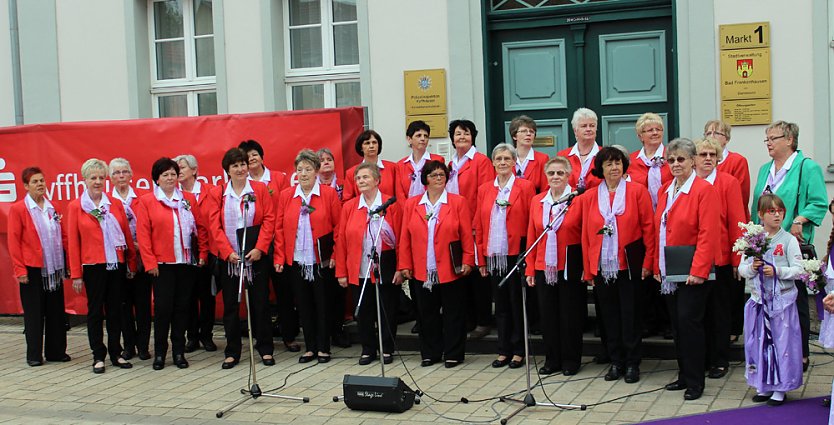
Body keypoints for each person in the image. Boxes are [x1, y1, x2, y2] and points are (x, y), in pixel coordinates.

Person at [751, 120, 828, 371]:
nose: (768, 143)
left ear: (790, 140)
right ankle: (773, 349)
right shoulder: (765, 169)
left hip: (791, 244)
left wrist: (798, 220)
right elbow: (757, 206)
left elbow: (818, 202)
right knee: (768, 297)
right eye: (767, 139)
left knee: (796, 298)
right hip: (766, 243)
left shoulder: (807, 167)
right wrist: (753, 238)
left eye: (773, 138)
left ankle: (801, 353)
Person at [576, 147, 655, 384]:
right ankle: (616, 361)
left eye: (618, 163)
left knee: (630, 316)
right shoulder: (589, 197)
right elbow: (586, 235)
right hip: (602, 266)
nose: (614, 168)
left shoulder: (637, 192)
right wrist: (588, 268)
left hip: (629, 265)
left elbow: (649, 229)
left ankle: (632, 363)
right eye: (609, 164)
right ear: (600, 169)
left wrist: (648, 261)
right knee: (609, 316)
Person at [653, 138, 719, 401]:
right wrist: (656, 265)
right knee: (677, 326)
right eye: (671, 160)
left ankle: (695, 381)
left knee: (690, 324)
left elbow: (708, 233)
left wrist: (699, 270)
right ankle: (683, 374)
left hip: (693, 271)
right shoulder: (665, 190)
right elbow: (659, 230)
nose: (675, 164)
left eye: (681, 159)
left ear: (693, 161)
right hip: (670, 269)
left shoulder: (703, 190)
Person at [398, 160, 475, 368]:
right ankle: (430, 353)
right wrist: (405, 264)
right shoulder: (412, 204)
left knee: (453, 313)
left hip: (451, 268)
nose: (438, 178)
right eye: (434, 175)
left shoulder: (457, 202)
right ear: (425, 180)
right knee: (426, 314)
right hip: (422, 268)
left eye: (442, 175)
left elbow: (466, 234)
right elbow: (405, 237)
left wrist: (468, 259)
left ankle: (453, 353)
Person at [134, 157, 209, 370]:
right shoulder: (148, 201)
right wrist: (150, 262)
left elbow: (200, 227)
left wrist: (202, 253)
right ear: (157, 179)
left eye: (173, 174)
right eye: (165, 174)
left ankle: (178, 352)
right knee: (163, 309)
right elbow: (143, 235)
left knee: (182, 308)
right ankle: (160, 353)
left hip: (185, 262)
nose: (170, 178)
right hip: (162, 264)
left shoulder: (187, 198)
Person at [208, 148, 276, 370]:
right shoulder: (218, 193)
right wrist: (227, 251)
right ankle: (232, 351)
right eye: (235, 165)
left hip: (255, 256)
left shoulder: (259, 189)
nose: (240, 169)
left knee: (260, 303)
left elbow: (269, 219)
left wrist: (260, 248)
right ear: (227, 170)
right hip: (231, 259)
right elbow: (214, 226)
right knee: (231, 305)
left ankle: (265, 348)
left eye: (243, 164)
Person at [67, 158, 137, 374]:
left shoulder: (114, 204)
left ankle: (116, 352)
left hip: (115, 263)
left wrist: (131, 263)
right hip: (93, 265)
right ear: (85, 180)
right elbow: (73, 242)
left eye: (100, 177)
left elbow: (126, 235)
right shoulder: (76, 207)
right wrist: (76, 274)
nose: (97, 182)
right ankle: (98, 355)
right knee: (95, 311)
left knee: (116, 310)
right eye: (93, 178)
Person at [274, 149, 342, 364]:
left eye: (308, 169)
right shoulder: (287, 196)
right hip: (296, 260)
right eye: (300, 169)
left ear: (317, 171)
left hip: (320, 260)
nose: (303, 174)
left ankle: (323, 348)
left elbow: (338, 227)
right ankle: (310, 347)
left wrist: (335, 254)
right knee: (303, 305)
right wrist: (279, 258)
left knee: (323, 304)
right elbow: (278, 229)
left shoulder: (328, 194)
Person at [738, 194, 803, 406]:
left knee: (781, 344)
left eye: (780, 211)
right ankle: (763, 383)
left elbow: (799, 270)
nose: (777, 215)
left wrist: (778, 271)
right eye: (771, 211)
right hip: (759, 301)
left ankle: (781, 386)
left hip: (781, 302)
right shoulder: (754, 240)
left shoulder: (788, 240)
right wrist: (752, 267)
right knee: (758, 342)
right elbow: (742, 268)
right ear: (760, 214)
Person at [475, 144, 535, 369]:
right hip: (494, 254)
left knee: (516, 303)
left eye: (507, 159)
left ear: (514, 163)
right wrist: (481, 258)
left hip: (516, 253)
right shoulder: (484, 189)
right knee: (500, 305)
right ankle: (503, 350)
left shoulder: (525, 187)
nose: (502, 162)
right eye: (498, 159)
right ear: (493, 162)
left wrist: (528, 254)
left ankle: (519, 350)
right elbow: (479, 225)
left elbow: (531, 221)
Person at [335, 163, 402, 365]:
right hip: (360, 266)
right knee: (364, 310)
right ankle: (368, 349)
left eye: (365, 177)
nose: (361, 181)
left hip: (386, 265)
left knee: (387, 309)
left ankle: (387, 348)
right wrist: (342, 272)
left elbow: (401, 237)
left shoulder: (391, 204)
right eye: (358, 178)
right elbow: (341, 240)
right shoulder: (350, 207)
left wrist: (401, 268)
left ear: (377, 180)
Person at [239, 139, 300, 353]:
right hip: (254, 246)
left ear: (262, 156)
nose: (251, 158)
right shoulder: (243, 182)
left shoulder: (278, 178)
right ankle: (260, 337)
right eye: (247, 156)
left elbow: (287, 207)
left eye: (255, 154)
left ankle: (289, 336)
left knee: (285, 291)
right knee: (258, 294)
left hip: (278, 241)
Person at [525, 157, 584, 375]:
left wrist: (586, 267)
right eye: (551, 173)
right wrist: (530, 268)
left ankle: (571, 360)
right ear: (546, 176)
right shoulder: (538, 201)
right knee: (548, 315)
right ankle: (552, 359)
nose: (556, 177)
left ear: (568, 175)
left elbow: (585, 234)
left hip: (570, 264)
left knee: (570, 315)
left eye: (560, 173)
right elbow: (532, 236)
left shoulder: (578, 199)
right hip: (544, 265)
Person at [693, 138, 745, 380]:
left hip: (720, 258)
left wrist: (737, 259)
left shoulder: (728, 183)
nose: (708, 158)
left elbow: (737, 221)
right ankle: (701, 359)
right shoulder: (688, 183)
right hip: (693, 259)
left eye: (712, 155)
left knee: (719, 312)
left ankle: (719, 360)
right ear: (693, 158)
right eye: (703, 154)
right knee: (698, 313)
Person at [7, 167, 70, 367]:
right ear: (26, 186)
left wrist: (67, 262)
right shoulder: (19, 209)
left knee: (55, 311)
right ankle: (34, 354)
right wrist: (20, 269)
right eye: (35, 181)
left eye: (42, 180)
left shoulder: (53, 207)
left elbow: (63, 235)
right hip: (32, 268)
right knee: (34, 313)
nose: (40, 184)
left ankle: (56, 351)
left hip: (54, 268)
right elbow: (14, 241)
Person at [446, 119, 495, 340]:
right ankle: (468, 319)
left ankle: (483, 321)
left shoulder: (481, 161)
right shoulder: (450, 165)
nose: (462, 137)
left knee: (478, 275)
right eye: (458, 134)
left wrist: (475, 225)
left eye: (466, 133)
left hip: (474, 226)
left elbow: (484, 195)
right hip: (455, 227)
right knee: (462, 273)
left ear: (473, 137)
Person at [704, 119, 751, 345]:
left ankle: (733, 327)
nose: (712, 136)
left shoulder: (736, 161)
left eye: (718, 133)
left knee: (733, 283)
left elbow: (741, 197)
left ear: (727, 138)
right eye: (708, 132)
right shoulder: (700, 165)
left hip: (732, 224)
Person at [174, 154, 218, 353]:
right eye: (176, 168)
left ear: (194, 170)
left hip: (208, 249)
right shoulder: (174, 194)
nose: (179, 171)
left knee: (207, 295)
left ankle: (206, 335)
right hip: (184, 252)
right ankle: (191, 336)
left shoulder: (211, 191)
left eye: (182, 167)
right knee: (188, 295)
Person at [108, 158, 151, 361]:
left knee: (143, 305)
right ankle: (128, 346)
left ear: (131, 174)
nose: (121, 176)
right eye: (116, 173)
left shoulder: (142, 198)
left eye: (124, 171)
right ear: (110, 177)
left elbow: (150, 226)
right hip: (119, 260)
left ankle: (143, 346)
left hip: (142, 258)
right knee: (123, 306)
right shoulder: (107, 202)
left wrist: (140, 245)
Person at [317, 148, 351, 349]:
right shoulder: (310, 187)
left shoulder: (343, 185)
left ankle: (338, 330)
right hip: (319, 242)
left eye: (329, 159)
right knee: (323, 291)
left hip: (341, 237)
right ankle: (324, 332)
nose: (326, 162)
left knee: (339, 290)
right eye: (321, 160)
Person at [628, 113, 672, 209]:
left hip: (670, 210)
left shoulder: (672, 157)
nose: (655, 133)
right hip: (640, 211)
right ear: (640, 136)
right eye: (650, 130)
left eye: (658, 129)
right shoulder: (631, 161)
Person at [343, 130, 398, 202]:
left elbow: (399, 196)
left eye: (374, 142)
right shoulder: (351, 172)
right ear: (361, 148)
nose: (371, 146)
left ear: (379, 145)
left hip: (390, 208)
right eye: (367, 143)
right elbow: (347, 200)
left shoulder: (393, 168)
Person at [557, 108, 603, 193]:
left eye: (592, 125)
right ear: (575, 130)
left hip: (598, 200)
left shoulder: (605, 154)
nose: (588, 129)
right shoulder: (563, 156)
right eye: (584, 126)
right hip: (569, 200)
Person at [508, 115, 548, 192]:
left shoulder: (542, 159)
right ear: (514, 136)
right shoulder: (506, 158)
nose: (528, 134)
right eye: (524, 131)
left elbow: (545, 189)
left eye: (532, 131)